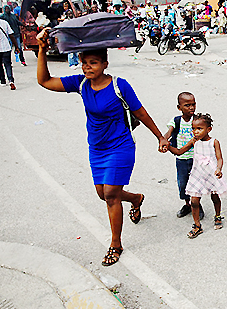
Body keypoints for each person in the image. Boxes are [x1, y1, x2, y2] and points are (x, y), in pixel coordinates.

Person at [36, 29, 169, 266]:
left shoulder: (120, 85)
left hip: (120, 146)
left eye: (93, 63)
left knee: (110, 194)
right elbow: (44, 81)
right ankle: (137, 198)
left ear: (105, 64)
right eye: (84, 63)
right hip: (96, 149)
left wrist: (159, 136)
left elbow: (141, 112)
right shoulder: (81, 83)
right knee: (104, 193)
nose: (88, 68)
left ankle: (115, 244)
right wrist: (42, 50)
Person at [172, 113, 227, 238]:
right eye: (193, 129)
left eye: (199, 129)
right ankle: (197, 225)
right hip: (197, 174)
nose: (195, 132)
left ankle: (218, 215)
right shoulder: (194, 141)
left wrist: (219, 169)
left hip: (211, 173)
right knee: (194, 201)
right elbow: (180, 151)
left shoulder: (214, 142)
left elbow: (219, 158)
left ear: (209, 129)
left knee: (215, 197)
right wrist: (167, 146)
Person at [164, 92, 205, 220]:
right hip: (181, 160)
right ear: (179, 107)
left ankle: (197, 206)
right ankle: (188, 204)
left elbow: (201, 136)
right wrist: (163, 141)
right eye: (187, 105)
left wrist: (182, 148)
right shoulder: (176, 121)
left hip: (195, 158)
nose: (191, 108)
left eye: (193, 104)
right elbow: (168, 132)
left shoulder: (197, 121)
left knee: (196, 184)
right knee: (183, 184)